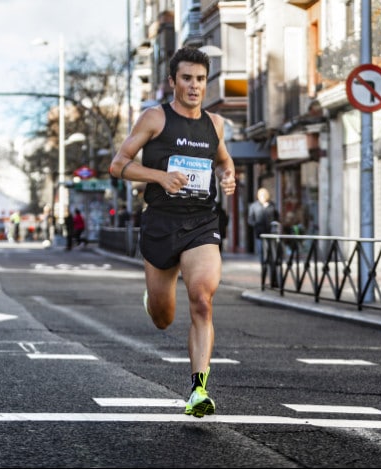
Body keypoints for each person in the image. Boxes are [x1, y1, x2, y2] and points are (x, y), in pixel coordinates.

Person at [109, 46, 236, 418]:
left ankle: (198, 391)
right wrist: (160, 176)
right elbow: (119, 164)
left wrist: (228, 176)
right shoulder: (155, 118)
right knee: (163, 317)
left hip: (201, 221)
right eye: (187, 79)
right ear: (173, 81)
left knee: (202, 299)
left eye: (200, 79)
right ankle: (153, 299)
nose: (194, 86)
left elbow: (224, 159)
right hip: (161, 222)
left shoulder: (215, 124)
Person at [248, 187, 279, 262]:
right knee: (261, 250)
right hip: (260, 233)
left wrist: (275, 224)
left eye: (264, 195)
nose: (263, 197)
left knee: (271, 250)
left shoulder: (272, 205)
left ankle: (271, 264)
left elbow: (277, 217)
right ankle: (263, 265)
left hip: (271, 232)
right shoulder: (254, 206)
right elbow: (250, 220)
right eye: (261, 195)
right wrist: (256, 224)